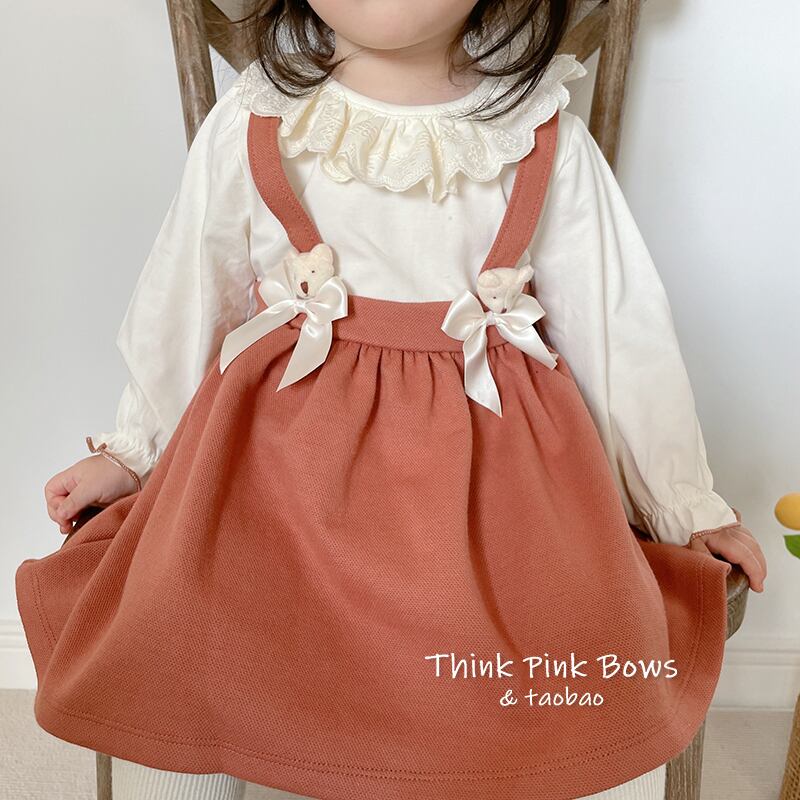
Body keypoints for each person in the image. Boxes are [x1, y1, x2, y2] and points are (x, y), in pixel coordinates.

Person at [18, 1, 767, 799]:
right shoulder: (257, 117)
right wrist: (134, 451)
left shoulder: (539, 134)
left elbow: (621, 337)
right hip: (282, 480)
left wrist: (683, 503)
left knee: (581, 642)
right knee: (182, 614)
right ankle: (197, 754)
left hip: (486, 487)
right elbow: (186, 303)